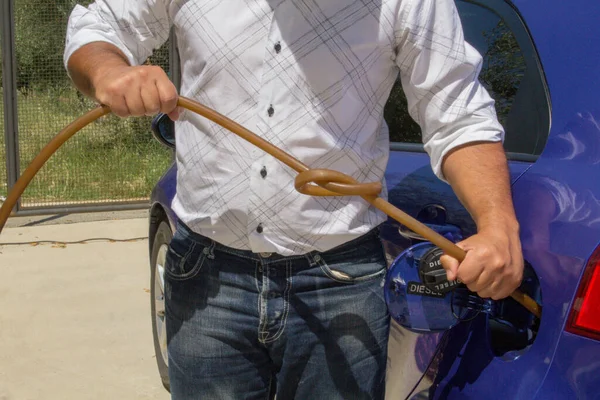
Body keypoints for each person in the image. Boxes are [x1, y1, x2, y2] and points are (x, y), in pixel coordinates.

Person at [63, 1, 524, 398]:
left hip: (340, 280)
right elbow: (99, 24)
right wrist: (109, 71)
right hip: (207, 273)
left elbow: (456, 111)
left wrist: (499, 226)